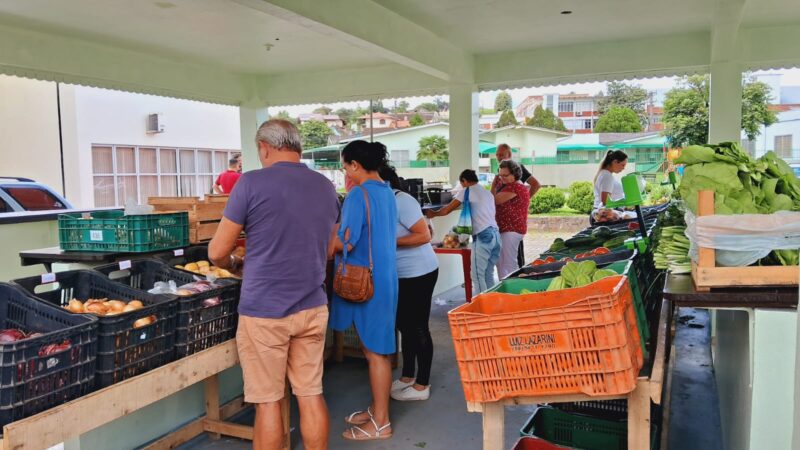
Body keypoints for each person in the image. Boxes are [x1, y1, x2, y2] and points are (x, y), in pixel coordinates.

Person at [208, 119, 339, 450]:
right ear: (298, 147)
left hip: (264, 312)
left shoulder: (250, 183)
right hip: (312, 306)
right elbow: (327, 251)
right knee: (310, 394)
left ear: (264, 147)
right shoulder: (325, 186)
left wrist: (235, 263)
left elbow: (217, 252)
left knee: (267, 401)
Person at [330, 140, 398, 441]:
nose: (346, 172)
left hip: (366, 283)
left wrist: (320, 235)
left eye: (345, 166)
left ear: (355, 165)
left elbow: (345, 241)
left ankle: (381, 423)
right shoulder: (386, 191)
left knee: (375, 353)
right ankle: (375, 409)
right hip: (384, 277)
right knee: (377, 347)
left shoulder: (358, 194)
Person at [378, 165, 439, 402]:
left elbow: (424, 235)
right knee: (403, 324)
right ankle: (407, 376)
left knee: (418, 326)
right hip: (400, 274)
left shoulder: (402, 200)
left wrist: (387, 242)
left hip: (419, 272)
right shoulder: (383, 202)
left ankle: (422, 384)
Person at [426, 169, 501, 294]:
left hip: (483, 236)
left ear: (464, 181)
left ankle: (482, 309)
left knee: (477, 276)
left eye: (461, 183)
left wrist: (433, 214)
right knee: (488, 274)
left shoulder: (466, 191)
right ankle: (492, 306)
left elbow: (447, 210)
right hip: (496, 236)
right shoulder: (487, 193)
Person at [491, 143, 540, 267]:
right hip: (502, 224)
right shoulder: (500, 171)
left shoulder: (518, 167)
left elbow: (536, 184)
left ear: (509, 154)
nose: (498, 157)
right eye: (497, 155)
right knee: (504, 260)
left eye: (501, 155)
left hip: (513, 225)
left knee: (513, 259)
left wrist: (522, 201)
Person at [494, 160, 531, 279]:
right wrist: (496, 185)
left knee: (509, 263)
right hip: (505, 229)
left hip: (511, 229)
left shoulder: (515, 187)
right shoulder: (505, 185)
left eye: (505, 175)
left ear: (515, 174)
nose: (502, 178)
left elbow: (494, 200)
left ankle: (513, 289)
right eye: (500, 175)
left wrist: (494, 185)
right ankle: (504, 288)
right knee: (501, 262)